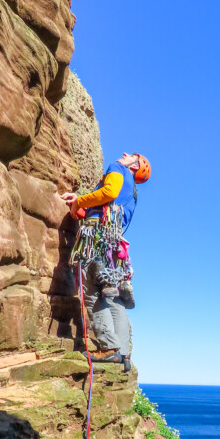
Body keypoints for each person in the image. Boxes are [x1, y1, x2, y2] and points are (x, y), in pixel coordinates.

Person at [61, 152, 150, 370]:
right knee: (112, 298)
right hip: (114, 247)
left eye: (131, 155)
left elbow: (109, 192)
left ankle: (109, 349)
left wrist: (79, 200)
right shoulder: (133, 193)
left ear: (135, 164)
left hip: (97, 239)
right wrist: (82, 208)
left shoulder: (117, 168)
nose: (124, 154)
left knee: (90, 292)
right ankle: (123, 355)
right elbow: (108, 207)